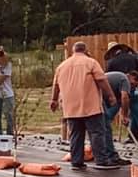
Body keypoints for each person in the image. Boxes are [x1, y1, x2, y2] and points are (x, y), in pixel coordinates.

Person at [50, 41, 119, 170]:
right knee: (96, 133)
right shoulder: (91, 62)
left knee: (76, 134)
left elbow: (56, 85)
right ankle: (102, 161)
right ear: (85, 50)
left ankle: (76, 162)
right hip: (90, 105)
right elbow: (101, 80)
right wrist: (111, 96)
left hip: (70, 107)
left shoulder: (62, 66)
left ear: (73, 51)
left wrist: (53, 100)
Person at [104, 42, 138, 146]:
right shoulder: (133, 58)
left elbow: (106, 79)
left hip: (119, 92)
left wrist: (123, 114)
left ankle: (106, 142)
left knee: (108, 117)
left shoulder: (111, 62)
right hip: (134, 90)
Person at [102, 70, 138, 165]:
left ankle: (102, 153)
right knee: (105, 126)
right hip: (100, 98)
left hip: (99, 97)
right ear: (131, 77)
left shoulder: (116, 78)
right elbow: (124, 97)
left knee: (102, 126)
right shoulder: (124, 80)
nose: (133, 87)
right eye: (134, 84)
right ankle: (109, 155)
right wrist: (124, 115)